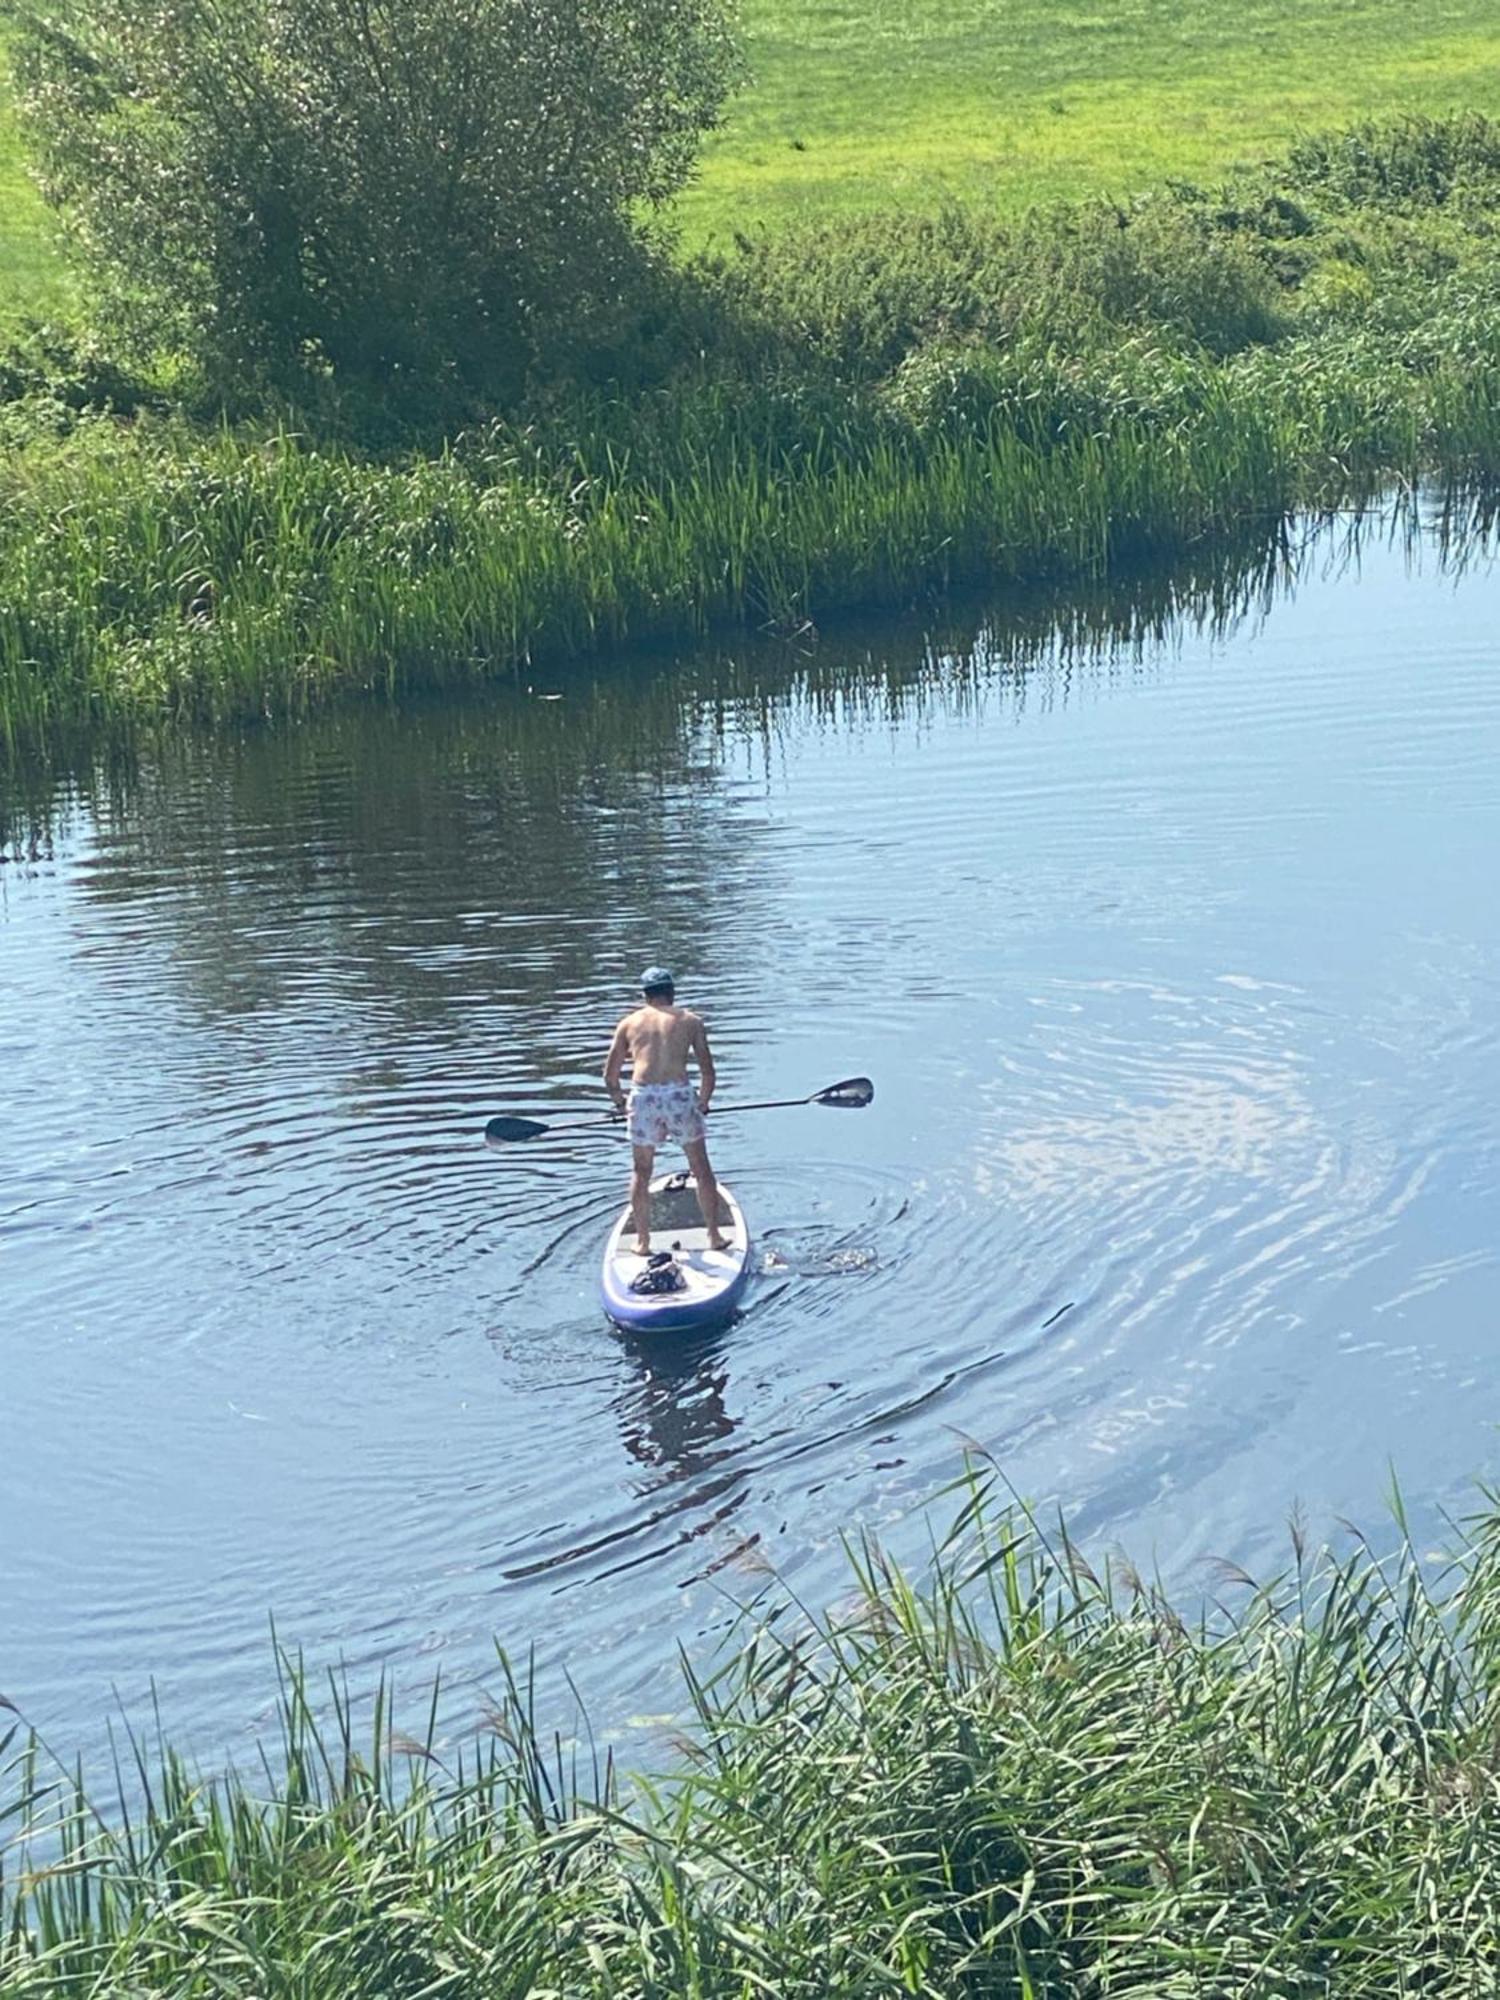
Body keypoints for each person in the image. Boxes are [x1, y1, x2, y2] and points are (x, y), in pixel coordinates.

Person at [604, 966, 728, 1256]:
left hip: (644, 1097)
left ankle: (642, 1242)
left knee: (641, 1170)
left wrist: (621, 1104)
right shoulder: (690, 1021)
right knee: (700, 1167)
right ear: (671, 992)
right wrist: (704, 1102)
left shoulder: (628, 1024)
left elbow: (610, 1077)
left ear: (644, 995)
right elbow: (708, 1072)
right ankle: (714, 1236)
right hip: (678, 1095)